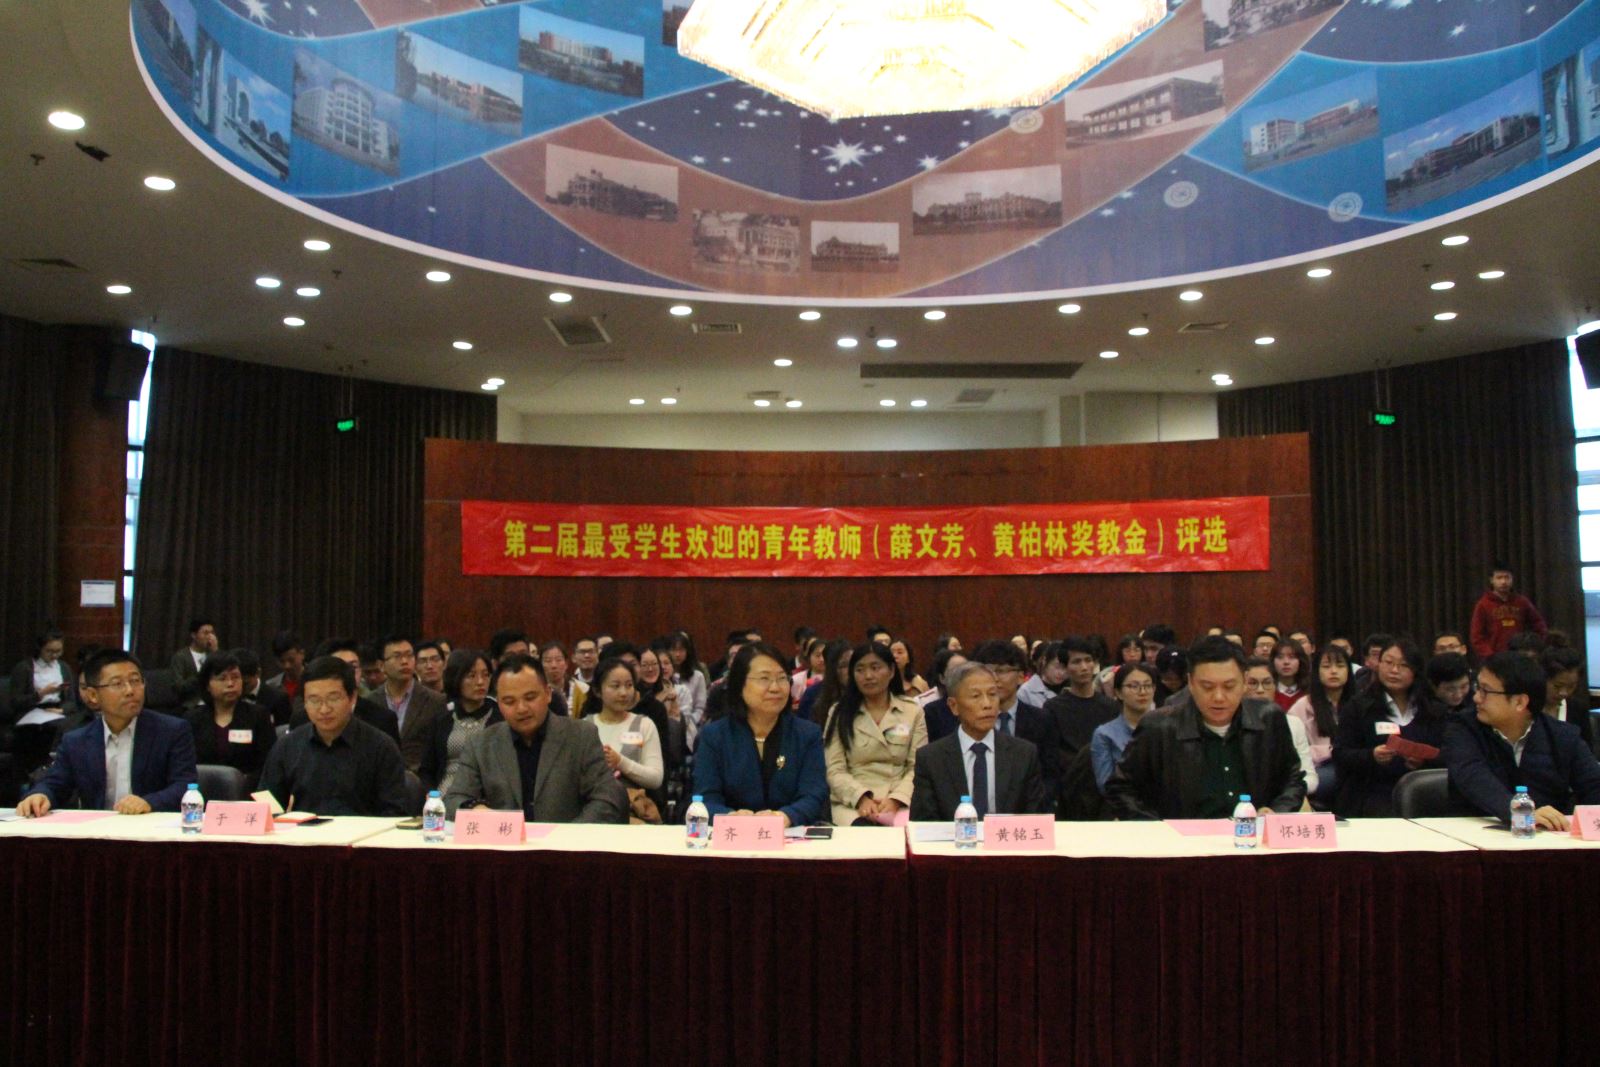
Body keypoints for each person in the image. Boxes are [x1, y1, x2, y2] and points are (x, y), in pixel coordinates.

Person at [1105, 637, 1306, 820]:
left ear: (1245, 682)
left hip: (1252, 837)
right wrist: (1158, 829)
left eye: (1229, 686)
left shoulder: (1269, 718)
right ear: (1191, 683)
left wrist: (1276, 813)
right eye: (1207, 687)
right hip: (1183, 842)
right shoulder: (1158, 727)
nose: (1218, 697)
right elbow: (1121, 788)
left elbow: (1293, 779)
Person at [443, 653, 627, 822]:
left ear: (548, 694)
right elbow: (453, 799)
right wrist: (476, 810)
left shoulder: (581, 735)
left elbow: (607, 797)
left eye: (530, 698)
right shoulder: (481, 744)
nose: (521, 709)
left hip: (566, 843)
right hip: (505, 843)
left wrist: (569, 835)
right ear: (498, 703)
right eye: (509, 701)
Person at [17, 649, 198, 816]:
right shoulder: (76, 741)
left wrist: (149, 802)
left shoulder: (172, 731)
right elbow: (55, 783)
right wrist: (41, 795)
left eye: (135, 681)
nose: (130, 691)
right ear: (93, 696)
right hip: (97, 832)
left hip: (151, 828)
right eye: (117, 684)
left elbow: (184, 785)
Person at [1443, 652, 1600, 829]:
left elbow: (1594, 786)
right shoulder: (1462, 728)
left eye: (1485, 691)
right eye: (1477, 688)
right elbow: (1473, 777)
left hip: (1548, 837)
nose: (1476, 697)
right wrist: (1522, 812)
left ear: (1520, 702)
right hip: (1474, 835)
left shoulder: (1562, 736)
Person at [692, 642, 828, 827]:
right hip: (732, 835)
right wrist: (731, 816)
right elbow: (705, 797)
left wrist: (785, 817)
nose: (775, 687)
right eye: (764, 679)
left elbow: (813, 795)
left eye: (782, 678)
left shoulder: (807, 734)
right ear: (739, 684)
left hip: (790, 833)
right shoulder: (714, 736)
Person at [910, 662, 1047, 821]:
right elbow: (924, 824)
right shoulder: (931, 759)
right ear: (954, 706)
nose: (987, 704)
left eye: (992, 694)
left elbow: (1036, 820)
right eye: (976, 696)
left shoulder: (1024, 754)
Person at [1332, 638, 1445, 817]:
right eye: (1388, 662)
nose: (1394, 670)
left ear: (1416, 670)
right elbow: (1340, 753)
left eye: (1403, 665)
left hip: (1424, 794)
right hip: (1371, 792)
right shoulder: (1359, 707)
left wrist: (1425, 761)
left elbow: (1450, 754)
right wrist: (1371, 755)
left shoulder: (1433, 709)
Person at [823, 641, 928, 825]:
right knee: (862, 832)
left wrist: (896, 799)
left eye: (875, 667)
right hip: (852, 803)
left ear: (892, 671)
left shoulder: (912, 711)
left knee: (905, 833)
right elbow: (835, 769)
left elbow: (917, 766)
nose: (868, 676)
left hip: (900, 799)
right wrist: (861, 798)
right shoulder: (839, 713)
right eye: (860, 669)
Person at [970, 639, 1062, 803]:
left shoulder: (1042, 720)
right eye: (989, 671)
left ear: (1020, 676)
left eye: (1002, 671)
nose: (995, 678)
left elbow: (1050, 774)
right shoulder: (971, 720)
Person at [287, 639, 401, 745]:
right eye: (338, 666)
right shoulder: (301, 720)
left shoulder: (383, 719)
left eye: (353, 667)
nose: (347, 673)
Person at [418, 650, 499, 794]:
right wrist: (431, 795)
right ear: (456, 678)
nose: (480, 682)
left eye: (485, 675)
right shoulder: (442, 719)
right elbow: (427, 770)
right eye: (471, 676)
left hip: (484, 798)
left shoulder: (499, 718)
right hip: (442, 795)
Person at [185, 651, 276, 777]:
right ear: (207, 685)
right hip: (202, 786)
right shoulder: (193, 719)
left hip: (249, 786)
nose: (230, 684)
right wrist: (195, 786)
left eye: (235, 677)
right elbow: (186, 765)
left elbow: (269, 763)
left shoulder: (258, 715)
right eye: (222, 679)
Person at [371, 634, 447, 775]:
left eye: (409, 655)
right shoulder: (370, 702)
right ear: (381, 665)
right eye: (397, 656)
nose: (405, 661)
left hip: (421, 778)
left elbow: (441, 751)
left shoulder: (436, 701)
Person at [1285, 646, 1351, 809]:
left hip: (1353, 765)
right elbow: (1293, 749)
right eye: (1326, 666)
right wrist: (1328, 751)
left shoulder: (1359, 704)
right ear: (1316, 671)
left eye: (1340, 666)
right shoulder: (1303, 706)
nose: (1333, 671)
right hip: (1318, 768)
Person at [588, 657, 665, 796]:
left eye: (629, 685)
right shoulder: (584, 726)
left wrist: (620, 762)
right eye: (615, 686)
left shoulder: (644, 725)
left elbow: (655, 778)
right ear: (597, 690)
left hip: (630, 804)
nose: (623, 693)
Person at [8, 628, 78, 776]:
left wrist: (62, 710)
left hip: (56, 710)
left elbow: (72, 700)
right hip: (31, 710)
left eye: (58, 651)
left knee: (72, 725)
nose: (54, 655)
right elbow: (16, 702)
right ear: (40, 648)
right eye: (49, 651)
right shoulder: (25, 668)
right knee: (41, 730)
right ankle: (34, 773)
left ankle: (60, 770)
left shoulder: (64, 667)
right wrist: (41, 694)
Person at [1041, 636, 1119, 756]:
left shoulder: (1110, 707)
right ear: (1065, 667)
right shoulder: (1053, 708)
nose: (1084, 667)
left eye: (1088, 660)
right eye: (1076, 662)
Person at [1090, 662, 1157, 793]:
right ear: (1118, 693)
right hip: (1122, 801)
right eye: (1134, 686)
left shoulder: (1166, 728)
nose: (1143, 692)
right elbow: (1106, 785)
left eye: (1148, 686)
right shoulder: (1105, 734)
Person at [1469, 563, 1548, 659]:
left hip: (1521, 656)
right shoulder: (1483, 604)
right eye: (1499, 578)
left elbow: (1539, 625)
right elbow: (1477, 636)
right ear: (1491, 580)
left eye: (1507, 577)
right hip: (1495, 658)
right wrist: (1490, 655)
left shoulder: (1522, 602)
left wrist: (1536, 647)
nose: (1503, 582)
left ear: (1512, 579)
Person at [1541, 645, 1593, 750]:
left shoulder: (1578, 709)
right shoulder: (1528, 707)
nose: (1564, 693)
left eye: (1571, 686)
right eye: (1557, 686)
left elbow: (1588, 749)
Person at [798, 638, 852, 725]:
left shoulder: (862, 692)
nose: (851, 670)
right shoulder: (813, 694)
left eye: (853, 664)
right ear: (830, 668)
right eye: (843, 666)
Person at [920, 648, 968, 742]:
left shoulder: (983, 705)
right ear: (942, 678)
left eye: (966, 670)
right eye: (956, 671)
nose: (962, 675)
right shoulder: (932, 712)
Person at [170, 616, 218, 705]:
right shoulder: (181, 657)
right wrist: (201, 674)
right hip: (191, 705)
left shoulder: (211, 655)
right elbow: (178, 687)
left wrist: (215, 652)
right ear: (194, 635)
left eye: (212, 633)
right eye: (206, 633)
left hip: (213, 703)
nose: (210, 637)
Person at [540, 641, 588, 719]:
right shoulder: (536, 689)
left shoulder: (582, 689)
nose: (554, 665)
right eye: (548, 661)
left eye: (558, 660)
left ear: (566, 664)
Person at [1016, 640, 1067, 708]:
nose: (1062, 673)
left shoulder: (1070, 689)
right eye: (1057, 667)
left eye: (1066, 668)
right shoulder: (1026, 692)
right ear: (1045, 661)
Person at [1269, 639, 1310, 710]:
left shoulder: (1310, 693)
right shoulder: (1268, 692)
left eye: (1292, 657)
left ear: (1300, 661)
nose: (1286, 662)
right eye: (1280, 657)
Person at [266, 630, 305, 699]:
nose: (287, 666)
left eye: (291, 660)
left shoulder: (316, 682)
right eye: (281, 661)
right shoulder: (270, 687)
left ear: (302, 654)